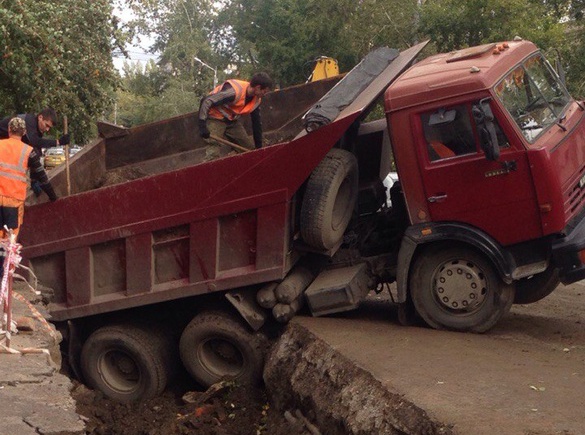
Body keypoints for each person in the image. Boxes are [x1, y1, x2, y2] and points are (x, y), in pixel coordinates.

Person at [0, 117, 57, 241]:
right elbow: (43, 178)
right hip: (14, 201)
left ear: (9, 129)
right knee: (9, 242)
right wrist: (53, 197)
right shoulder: (29, 151)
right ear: (24, 133)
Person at [198, 72, 273, 161]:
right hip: (216, 117)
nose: (265, 94)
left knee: (249, 149)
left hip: (231, 120)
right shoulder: (234, 91)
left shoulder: (256, 100)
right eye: (264, 91)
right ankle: (207, 169)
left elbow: (256, 124)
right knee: (214, 149)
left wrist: (259, 149)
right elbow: (206, 101)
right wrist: (202, 125)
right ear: (258, 88)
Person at [0, 107, 70, 151]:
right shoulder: (29, 122)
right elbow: (35, 141)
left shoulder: (37, 130)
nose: (47, 129)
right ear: (40, 117)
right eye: (46, 125)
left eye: (49, 127)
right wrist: (58, 142)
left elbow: (37, 147)